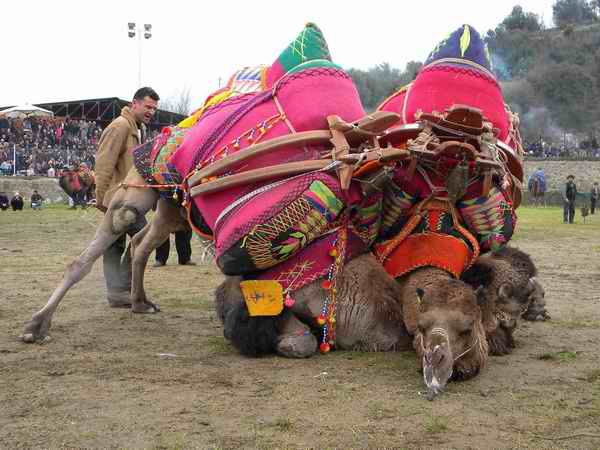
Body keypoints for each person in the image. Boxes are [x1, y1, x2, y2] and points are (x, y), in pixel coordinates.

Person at [94, 87, 159, 307]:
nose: (151, 111)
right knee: (138, 239)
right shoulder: (120, 126)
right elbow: (104, 163)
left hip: (132, 197)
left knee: (126, 241)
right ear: (135, 103)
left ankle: (121, 290)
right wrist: (101, 198)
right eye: (148, 106)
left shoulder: (138, 128)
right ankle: (119, 290)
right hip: (119, 198)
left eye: (154, 108)